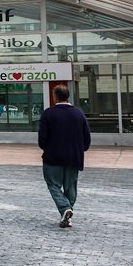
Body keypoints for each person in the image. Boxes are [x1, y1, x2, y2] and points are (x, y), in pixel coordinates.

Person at [39, 84, 91, 228]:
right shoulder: (78, 113)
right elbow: (86, 137)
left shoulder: (48, 113)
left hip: (53, 156)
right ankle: (67, 214)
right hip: (74, 156)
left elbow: (42, 138)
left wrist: (47, 148)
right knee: (71, 186)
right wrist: (81, 149)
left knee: (53, 184)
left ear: (55, 96)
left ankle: (64, 208)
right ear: (68, 95)